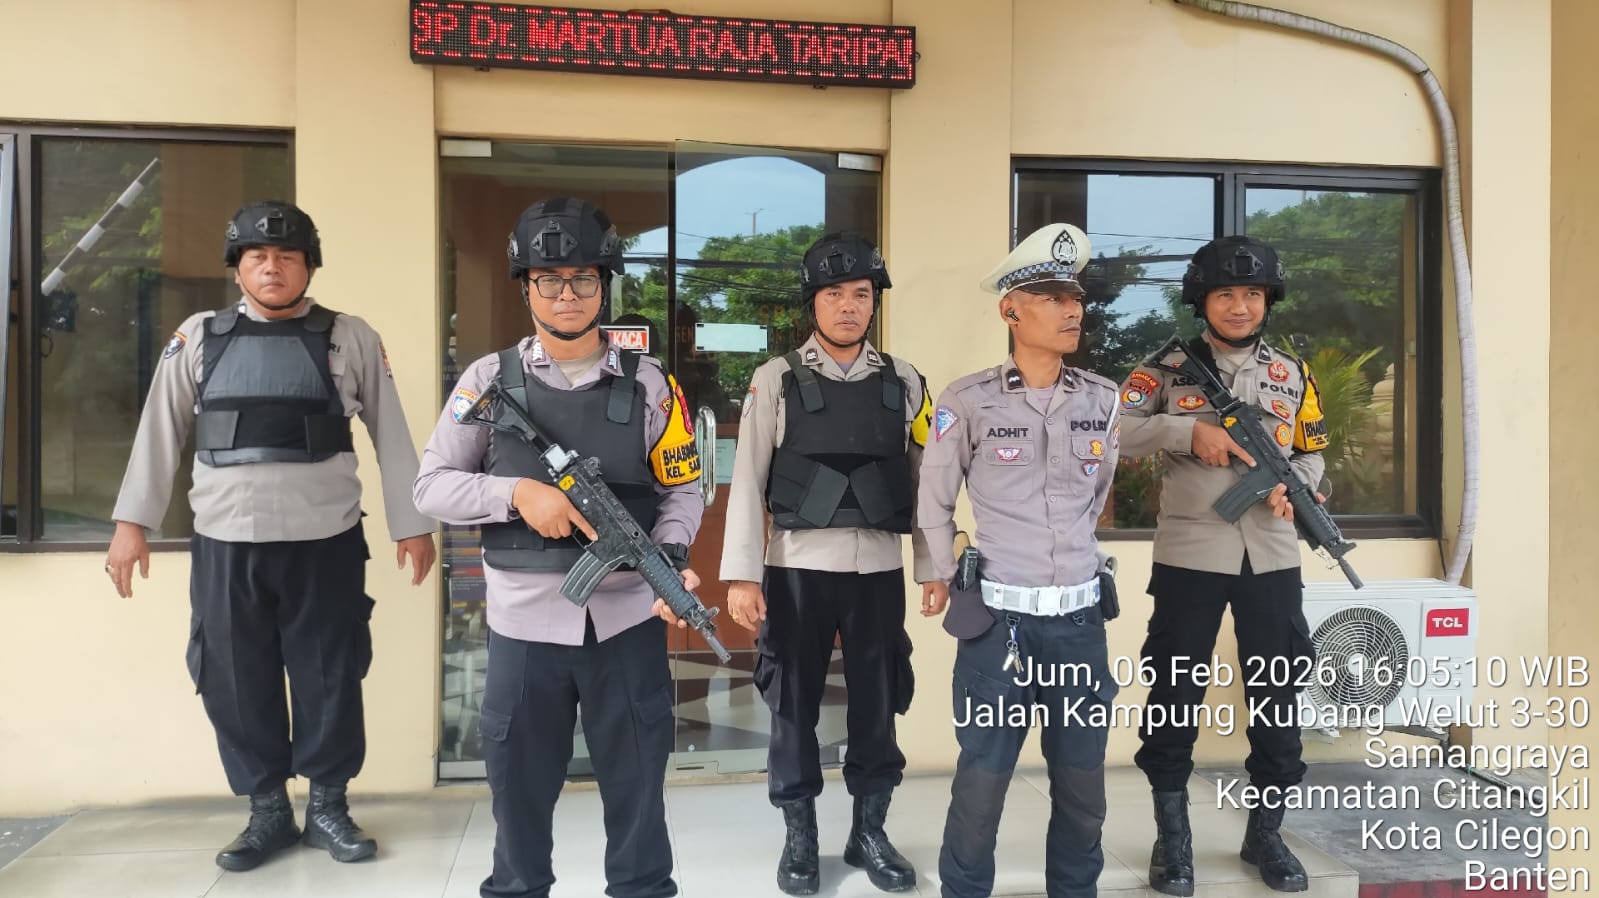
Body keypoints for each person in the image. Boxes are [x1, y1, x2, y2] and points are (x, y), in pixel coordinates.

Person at [103, 200, 438, 871]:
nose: (272, 267)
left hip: (325, 541)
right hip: (225, 542)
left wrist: (413, 524)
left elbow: (392, 432)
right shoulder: (198, 337)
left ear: (310, 266)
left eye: (287, 256)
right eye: (257, 257)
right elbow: (160, 431)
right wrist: (130, 524)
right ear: (237, 269)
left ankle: (329, 807)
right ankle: (267, 812)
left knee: (330, 672)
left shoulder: (351, 336)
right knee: (232, 676)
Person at [412, 197, 703, 898]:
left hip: (627, 623)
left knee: (639, 796)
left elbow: (683, 488)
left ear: (604, 286)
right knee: (518, 800)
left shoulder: (651, 384)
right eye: (549, 279)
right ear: (526, 287)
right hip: (523, 629)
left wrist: (670, 554)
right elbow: (431, 487)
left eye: (583, 279)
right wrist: (516, 494)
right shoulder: (485, 381)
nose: (566, 294)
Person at [720, 232, 932, 895]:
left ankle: (869, 833)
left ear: (874, 303)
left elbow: (925, 481)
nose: (848, 306)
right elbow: (747, 481)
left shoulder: (906, 381)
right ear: (812, 302)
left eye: (860, 295)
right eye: (834, 294)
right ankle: (801, 838)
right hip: (796, 568)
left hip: (877, 571)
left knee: (878, 702)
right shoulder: (775, 379)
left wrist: (932, 567)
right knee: (792, 704)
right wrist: (741, 575)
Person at [1118, 235, 1328, 895]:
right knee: (1174, 688)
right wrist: (1187, 432)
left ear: (1268, 300)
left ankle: (1266, 833)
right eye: (1226, 293)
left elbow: (1312, 449)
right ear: (1201, 300)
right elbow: (1112, 432)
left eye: (1253, 293)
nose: (1240, 306)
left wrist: (1297, 484)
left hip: (1272, 555)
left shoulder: (1291, 373)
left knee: (1277, 691)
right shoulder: (1163, 370)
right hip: (1191, 554)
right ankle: (1172, 837)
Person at [917, 223, 1121, 898]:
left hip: (1078, 627)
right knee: (983, 783)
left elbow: (1095, 497)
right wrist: (938, 573)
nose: (1071, 310)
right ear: (1010, 310)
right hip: (998, 628)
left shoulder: (1101, 399)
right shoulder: (966, 400)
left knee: (1083, 786)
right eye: (1052, 297)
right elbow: (934, 499)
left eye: (1075, 297)